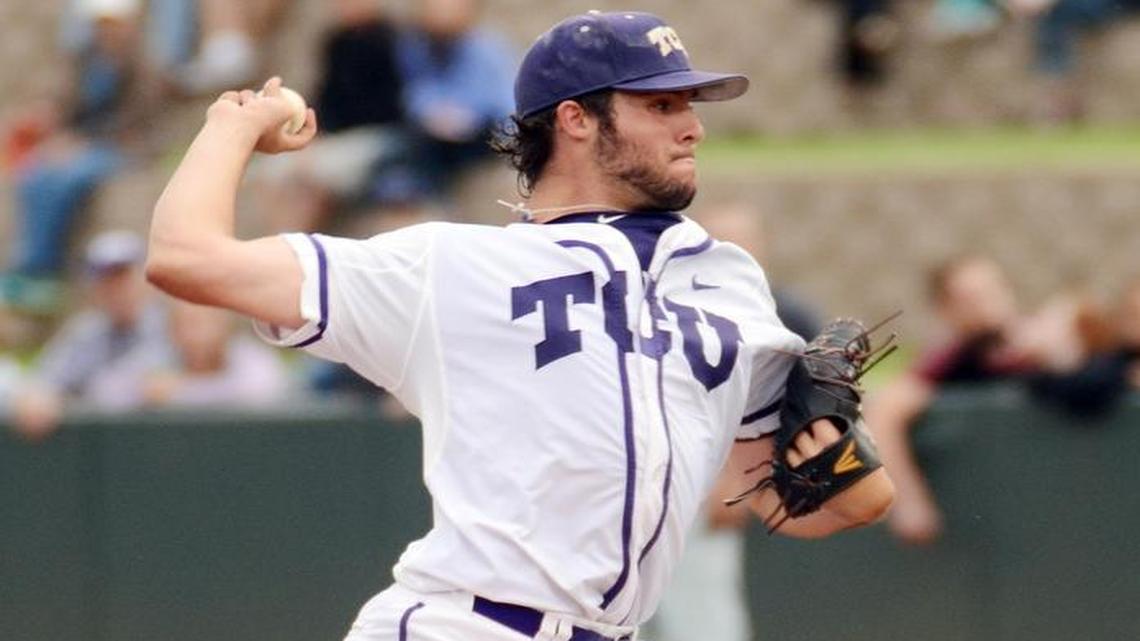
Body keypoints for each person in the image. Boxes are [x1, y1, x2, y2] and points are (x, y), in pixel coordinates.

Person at [145, 11, 894, 641]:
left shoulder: (727, 281)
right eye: (661, 105)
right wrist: (233, 126)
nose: (692, 127)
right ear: (576, 118)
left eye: (690, 104)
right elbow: (187, 258)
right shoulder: (447, 267)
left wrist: (842, 461)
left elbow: (806, 503)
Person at [866, 254, 1032, 545]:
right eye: (969, 299)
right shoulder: (950, 362)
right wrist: (909, 501)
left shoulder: (1048, 351)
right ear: (944, 309)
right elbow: (884, 414)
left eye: (991, 291)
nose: (985, 306)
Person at [9, 230, 168, 441]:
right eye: (105, 279)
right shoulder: (85, 333)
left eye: (122, 277)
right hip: (105, 451)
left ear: (146, 280)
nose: (114, 289)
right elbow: (41, 384)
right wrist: (38, 397)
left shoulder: (172, 327)